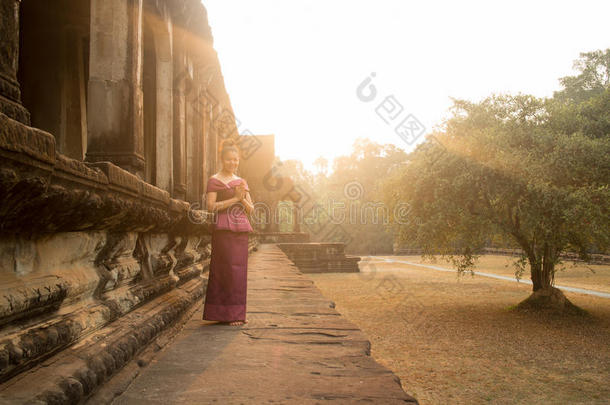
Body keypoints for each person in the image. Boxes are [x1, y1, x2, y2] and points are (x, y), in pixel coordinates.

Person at [202, 139, 254, 326]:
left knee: (238, 271)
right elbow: (211, 207)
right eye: (229, 159)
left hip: (240, 229)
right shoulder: (214, 180)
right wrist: (234, 199)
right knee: (222, 269)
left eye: (236, 160)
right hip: (222, 228)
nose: (233, 163)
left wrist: (242, 199)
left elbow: (251, 209)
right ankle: (220, 313)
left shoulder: (241, 182)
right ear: (222, 160)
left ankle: (236, 314)